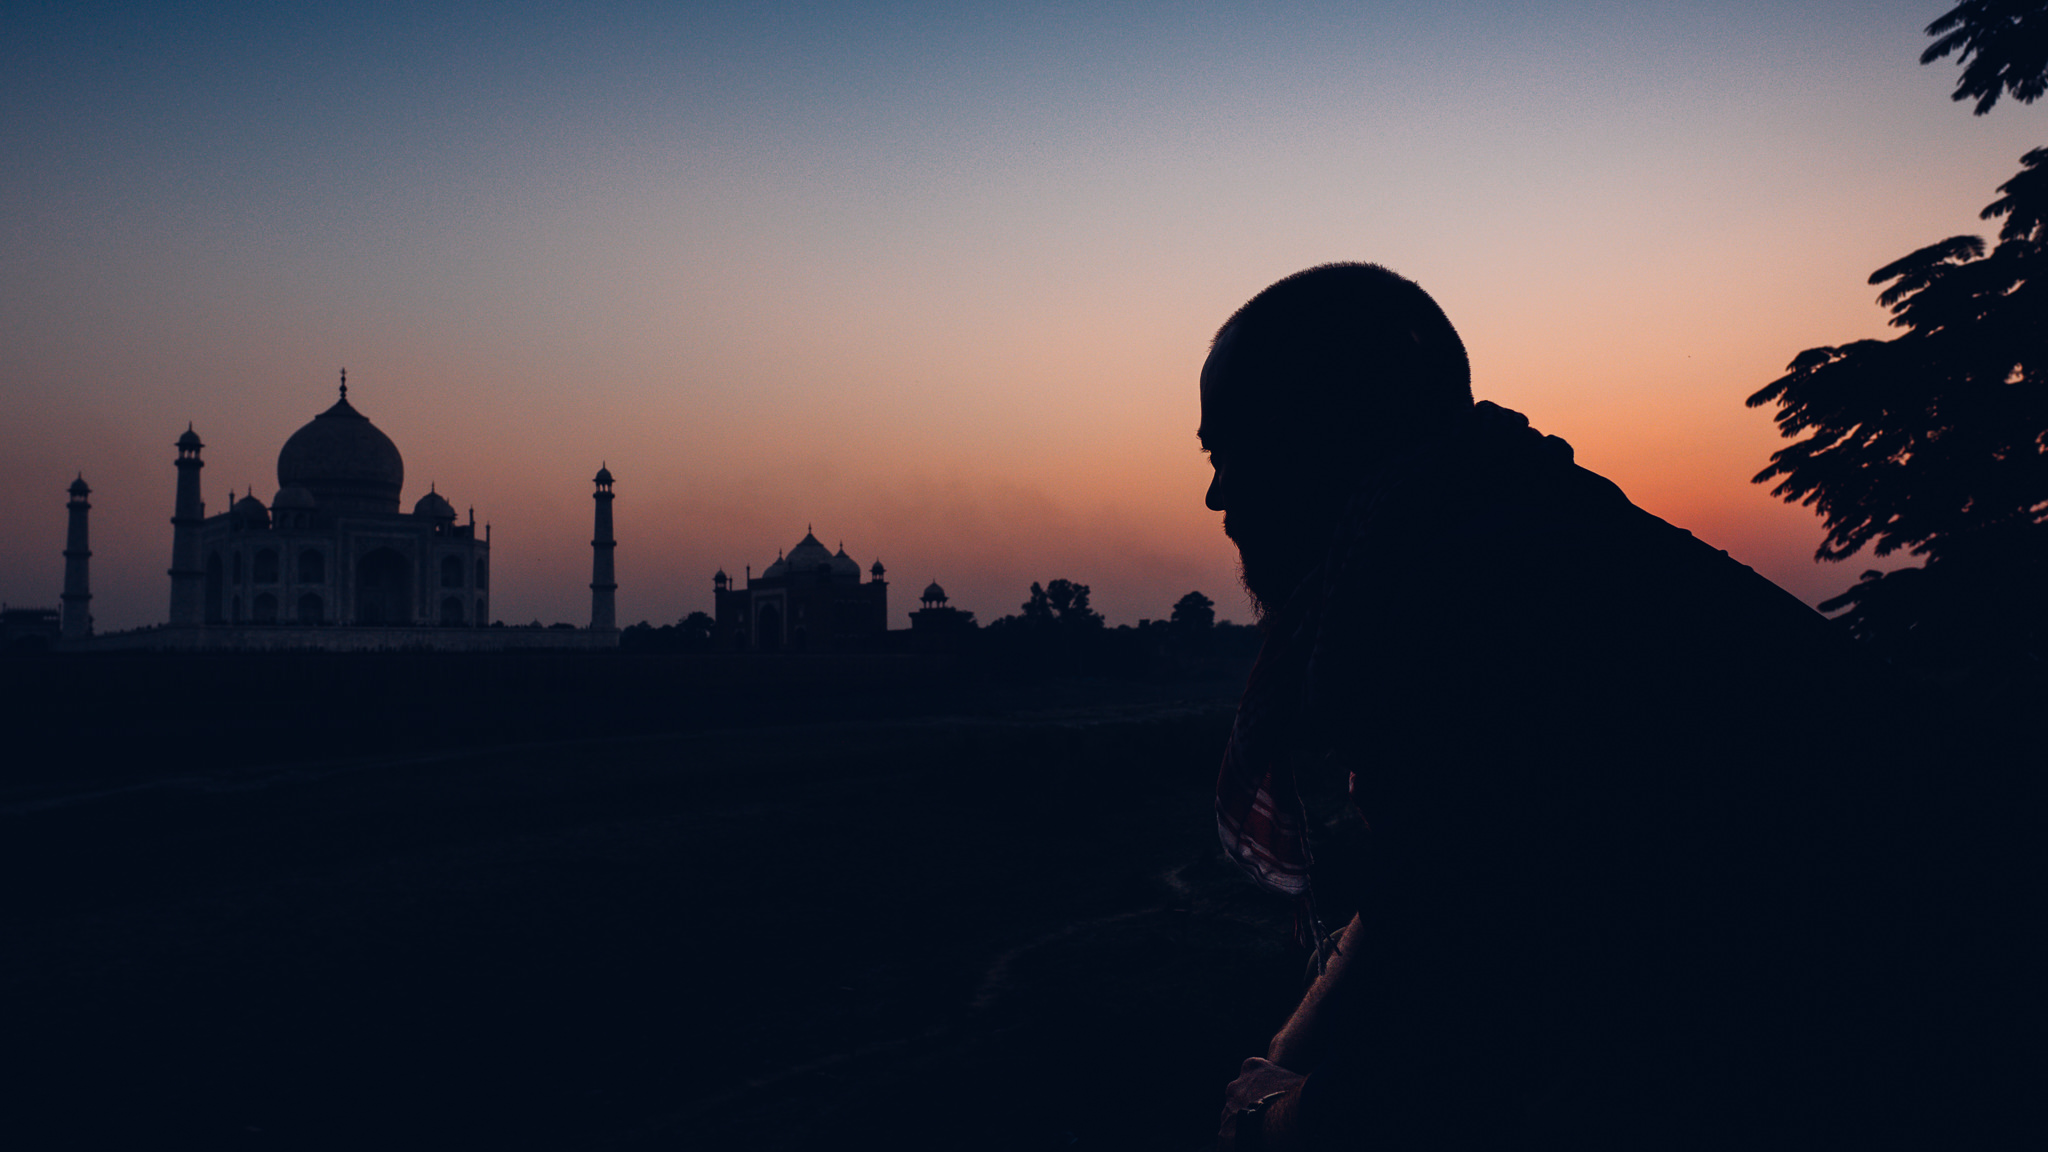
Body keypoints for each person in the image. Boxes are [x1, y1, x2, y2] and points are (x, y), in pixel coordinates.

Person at [1199, 264, 1961, 1148]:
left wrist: (1265, 1116)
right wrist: (1289, 1061)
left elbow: (1460, 1052)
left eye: (1229, 455)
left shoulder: (1455, 603)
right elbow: (1431, 897)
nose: (1218, 495)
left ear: (1319, 436)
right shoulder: (1509, 525)